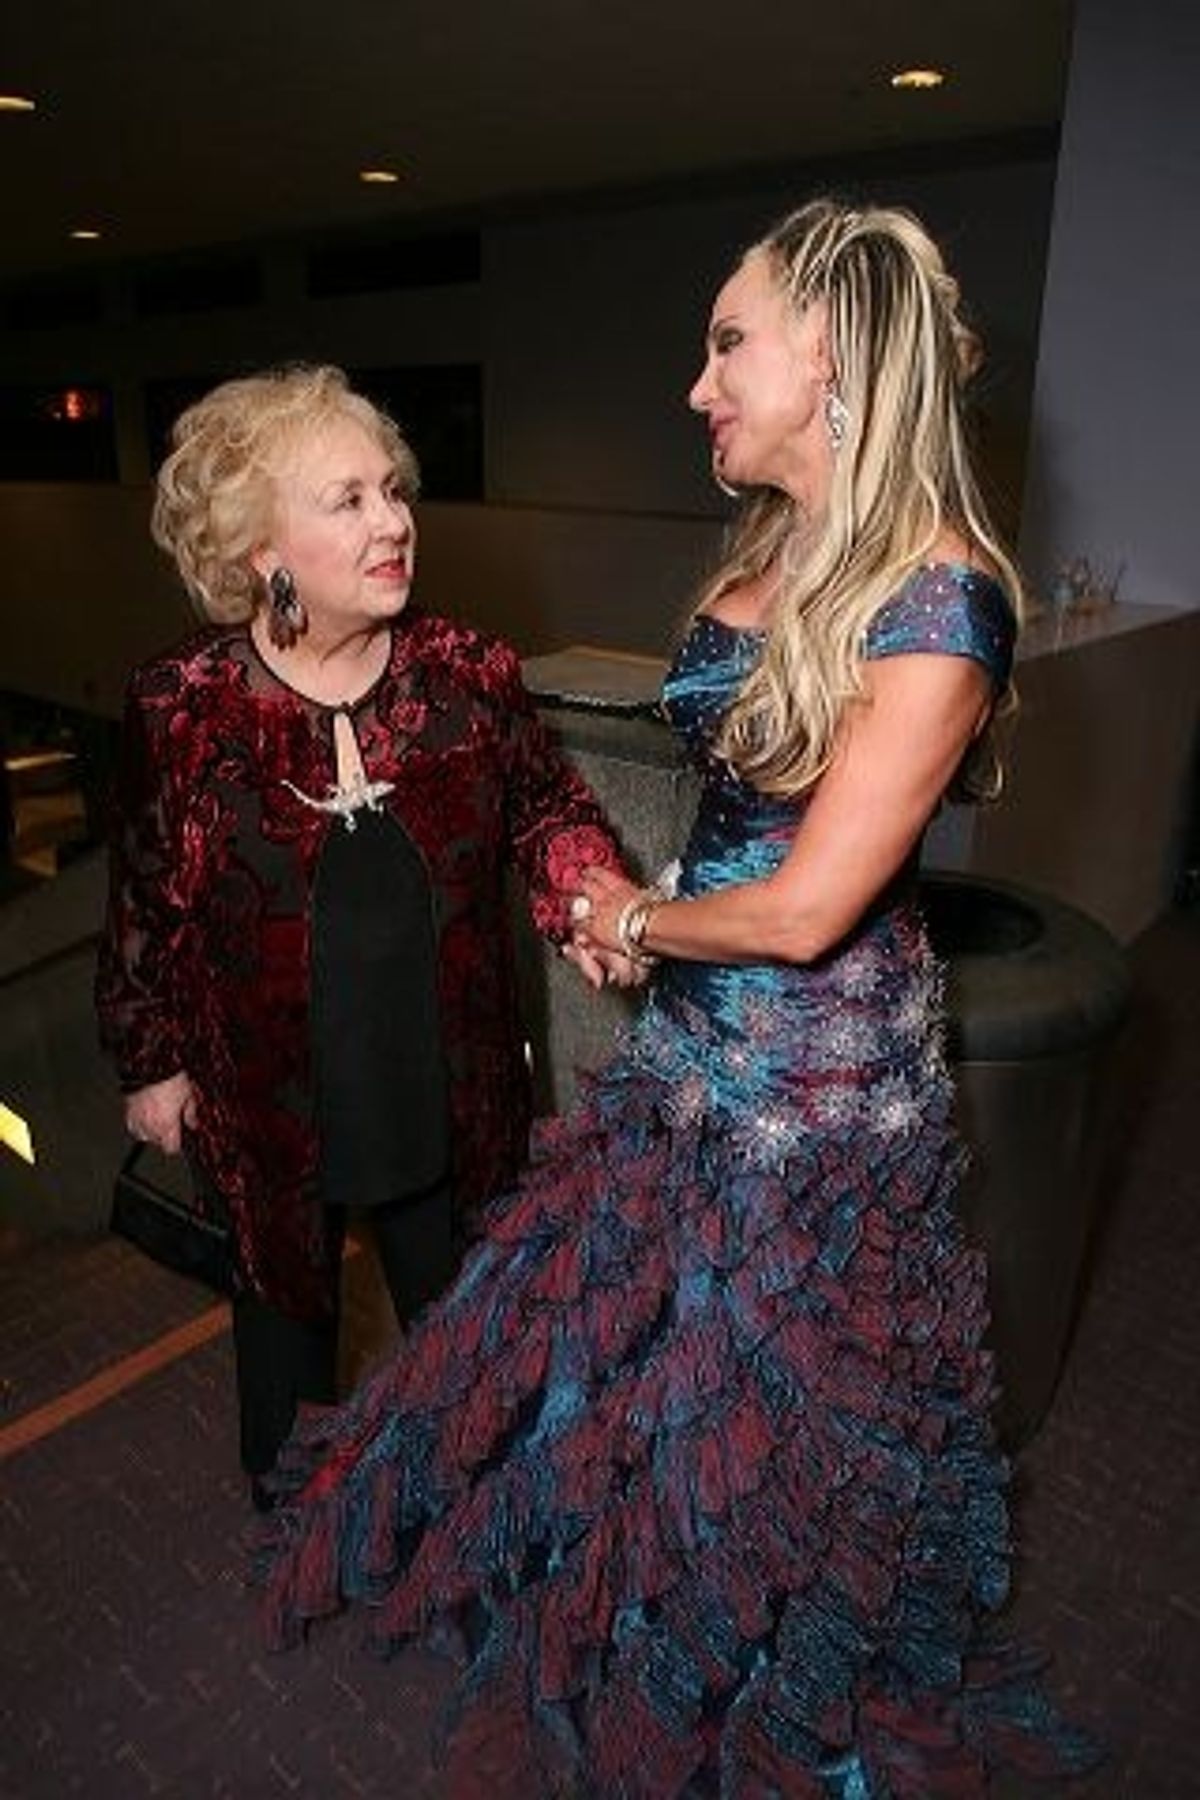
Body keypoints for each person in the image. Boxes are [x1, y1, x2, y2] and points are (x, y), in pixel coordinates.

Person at [257, 204, 1097, 1795]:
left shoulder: (944, 596)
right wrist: (632, 931)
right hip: (688, 1048)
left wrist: (645, 918)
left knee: (772, 1429)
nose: (696, 383)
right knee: (629, 1364)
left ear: (834, 357)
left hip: (816, 1106)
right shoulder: (770, 556)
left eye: (728, 342)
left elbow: (803, 908)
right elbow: (727, 847)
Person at [96, 364, 634, 1514]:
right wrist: (151, 1058)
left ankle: (473, 1515)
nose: (394, 522)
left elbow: (548, 810)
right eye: (347, 500)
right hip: (270, 1101)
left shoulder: (469, 679)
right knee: (284, 1333)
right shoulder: (179, 708)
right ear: (260, 549)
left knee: (469, 1330)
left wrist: (587, 891)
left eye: (392, 491)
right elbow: (146, 895)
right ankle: (302, 1532)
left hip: (442, 1085)